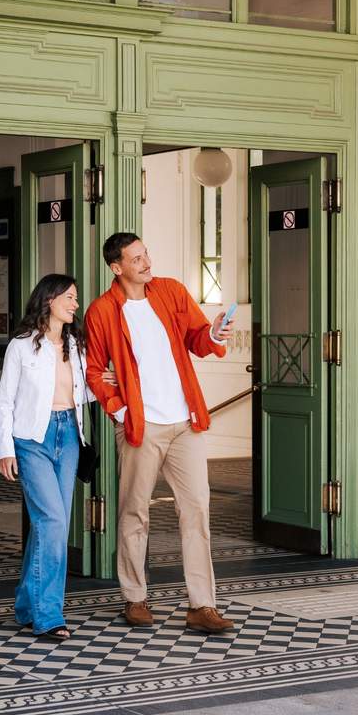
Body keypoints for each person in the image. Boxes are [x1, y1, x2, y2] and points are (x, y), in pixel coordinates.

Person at [84, 232, 236, 633]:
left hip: (185, 423)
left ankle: (202, 605)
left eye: (146, 253)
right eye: (136, 258)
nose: (146, 262)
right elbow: (95, 372)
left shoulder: (170, 292)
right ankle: (135, 597)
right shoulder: (102, 311)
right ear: (117, 267)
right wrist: (120, 412)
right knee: (135, 512)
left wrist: (215, 333)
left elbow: (198, 339)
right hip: (141, 426)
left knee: (197, 510)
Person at [0, 273, 96, 639]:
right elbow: (4, 402)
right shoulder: (21, 346)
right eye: (69, 297)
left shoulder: (76, 345)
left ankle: (25, 604)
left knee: (49, 524)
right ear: (49, 299)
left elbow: (80, 393)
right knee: (52, 522)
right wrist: (6, 449)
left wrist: (107, 385)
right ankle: (49, 614)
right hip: (31, 439)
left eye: (76, 297)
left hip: (68, 436)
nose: (75, 304)